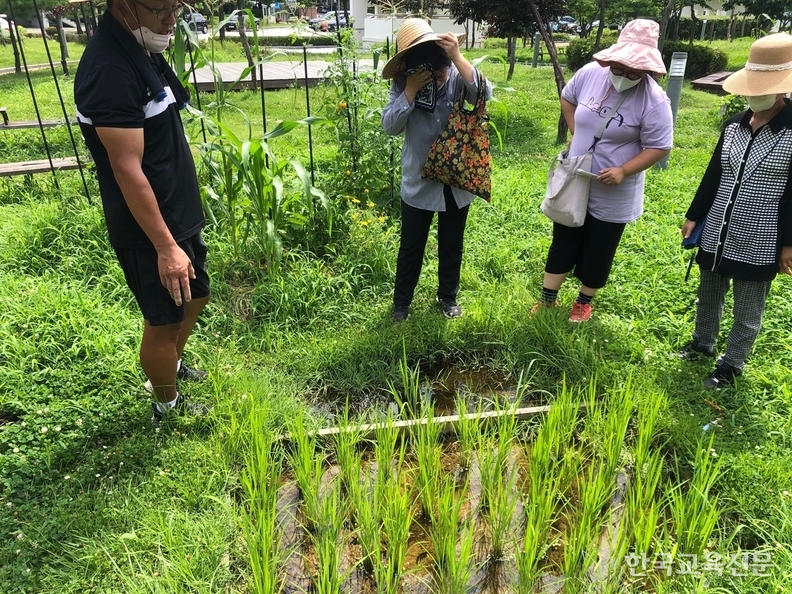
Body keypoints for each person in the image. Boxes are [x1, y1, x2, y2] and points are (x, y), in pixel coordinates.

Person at [74, 0, 210, 421]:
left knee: (197, 296)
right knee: (163, 321)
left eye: (175, 8)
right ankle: (165, 405)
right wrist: (166, 247)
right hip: (149, 230)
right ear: (125, 7)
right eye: (161, 9)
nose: (171, 19)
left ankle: (169, 365)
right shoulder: (109, 70)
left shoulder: (142, 48)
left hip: (176, 211)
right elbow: (126, 169)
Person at [533, 19, 673, 322]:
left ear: (647, 72)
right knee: (564, 236)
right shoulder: (591, 73)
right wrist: (575, 135)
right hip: (576, 176)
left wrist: (623, 170)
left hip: (614, 188)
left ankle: (583, 301)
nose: (623, 76)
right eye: (618, 69)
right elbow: (568, 99)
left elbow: (659, 147)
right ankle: (547, 300)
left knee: (600, 245)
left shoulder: (654, 100)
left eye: (633, 73)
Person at [678, 33, 792, 389]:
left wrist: (788, 244)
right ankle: (702, 343)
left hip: (762, 234)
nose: (753, 95)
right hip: (719, 226)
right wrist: (694, 214)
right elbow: (714, 173)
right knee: (709, 291)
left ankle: (733, 364)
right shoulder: (735, 125)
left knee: (748, 306)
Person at [382, 18, 492, 322]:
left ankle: (448, 297)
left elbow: (484, 94)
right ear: (413, 65)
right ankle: (401, 304)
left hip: (455, 182)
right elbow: (389, 126)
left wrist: (457, 57)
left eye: (440, 64)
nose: (439, 74)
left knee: (451, 243)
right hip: (418, 180)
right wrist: (410, 92)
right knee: (411, 246)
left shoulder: (457, 75)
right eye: (429, 66)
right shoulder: (404, 82)